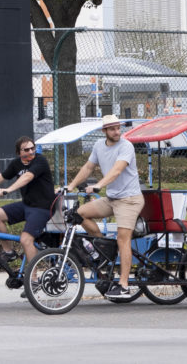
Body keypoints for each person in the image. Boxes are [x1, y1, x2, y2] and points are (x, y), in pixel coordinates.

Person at [65, 114, 144, 298]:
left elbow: (117, 170)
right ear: (104, 131)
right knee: (79, 213)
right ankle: (103, 250)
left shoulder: (126, 146)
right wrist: (71, 185)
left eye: (118, 128)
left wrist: (99, 185)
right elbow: (87, 167)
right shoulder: (99, 146)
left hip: (129, 199)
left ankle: (123, 286)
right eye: (112, 129)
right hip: (112, 199)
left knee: (123, 239)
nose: (117, 131)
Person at [0, 136, 55, 263]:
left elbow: (28, 177)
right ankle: (9, 252)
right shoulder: (16, 163)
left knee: (25, 240)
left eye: (32, 148)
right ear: (19, 153)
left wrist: (9, 190)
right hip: (27, 205)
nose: (30, 152)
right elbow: (2, 176)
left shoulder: (40, 161)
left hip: (42, 208)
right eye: (26, 150)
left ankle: (33, 279)